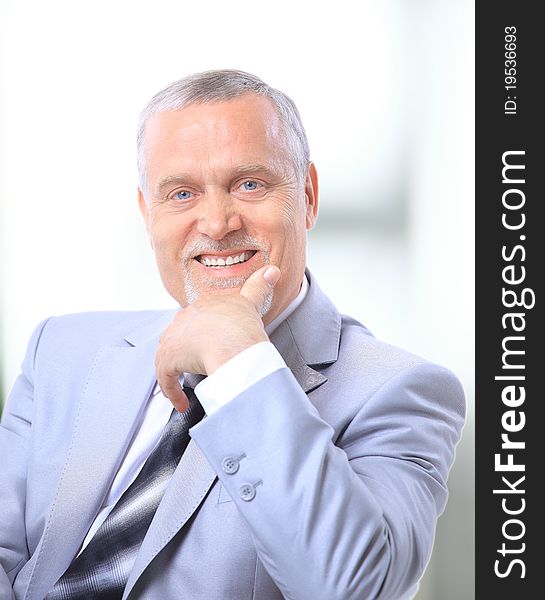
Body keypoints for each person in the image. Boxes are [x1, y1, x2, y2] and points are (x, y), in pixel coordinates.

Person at [0, 69, 465, 600]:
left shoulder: (401, 392)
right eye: (181, 193)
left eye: (250, 184)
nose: (217, 222)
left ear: (308, 196)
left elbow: (350, 589)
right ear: (146, 213)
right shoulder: (59, 352)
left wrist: (238, 358)